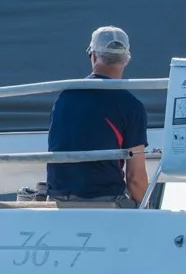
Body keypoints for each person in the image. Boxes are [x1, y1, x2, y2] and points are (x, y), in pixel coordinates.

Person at [46, 26, 148, 208]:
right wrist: (149, 212)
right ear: (126, 59)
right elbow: (135, 179)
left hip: (58, 201)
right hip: (106, 201)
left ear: (93, 56)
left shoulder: (64, 98)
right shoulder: (132, 106)